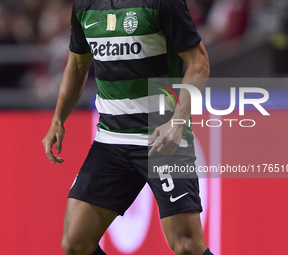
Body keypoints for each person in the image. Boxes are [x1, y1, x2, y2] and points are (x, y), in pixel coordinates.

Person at [42, 0, 212, 254]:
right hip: (110, 141)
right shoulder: (85, 6)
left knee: (187, 246)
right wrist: (58, 119)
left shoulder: (162, 3)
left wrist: (176, 123)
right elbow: (78, 65)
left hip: (161, 138)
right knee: (75, 244)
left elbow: (199, 63)